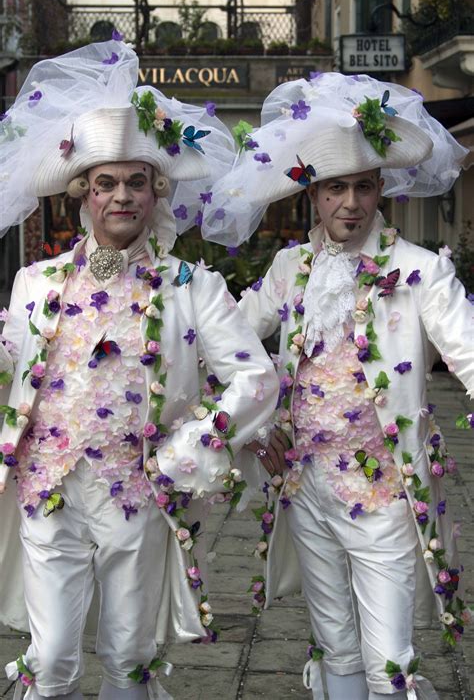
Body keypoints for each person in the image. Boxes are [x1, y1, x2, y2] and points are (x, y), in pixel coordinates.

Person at [0, 39, 278, 700]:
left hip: (138, 495)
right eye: (105, 183)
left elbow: (257, 379)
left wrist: (192, 442)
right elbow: (14, 363)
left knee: (129, 659)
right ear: (83, 193)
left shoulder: (192, 284)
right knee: (53, 660)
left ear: (158, 192)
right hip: (49, 491)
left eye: (136, 181)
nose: (121, 195)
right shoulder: (34, 283)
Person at [202, 73, 473, 699]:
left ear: (381, 189)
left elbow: (467, 350)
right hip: (308, 490)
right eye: (334, 188)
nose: (349, 202)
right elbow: (230, 344)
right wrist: (255, 426)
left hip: (385, 496)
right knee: (335, 646)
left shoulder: (421, 272)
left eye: (362, 186)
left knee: (391, 664)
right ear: (313, 195)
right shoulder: (289, 267)